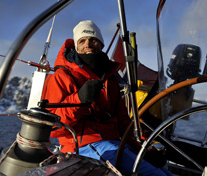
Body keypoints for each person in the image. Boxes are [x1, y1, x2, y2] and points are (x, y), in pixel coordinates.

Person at [43, 20, 172, 176]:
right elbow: (54, 129)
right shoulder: (61, 77)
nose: (88, 44)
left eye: (93, 40)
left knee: (165, 172)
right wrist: (78, 100)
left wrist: (142, 149)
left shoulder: (109, 77)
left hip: (115, 143)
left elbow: (124, 121)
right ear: (76, 47)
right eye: (82, 41)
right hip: (82, 147)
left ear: (101, 45)